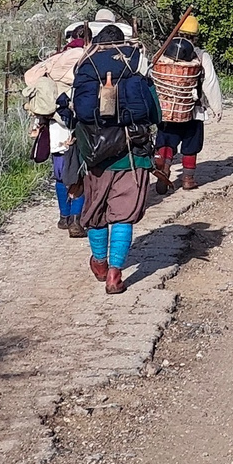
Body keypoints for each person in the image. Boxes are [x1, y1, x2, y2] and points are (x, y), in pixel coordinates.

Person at [61, 16, 159, 294]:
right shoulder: (136, 65)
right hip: (133, 152)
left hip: (94, 154)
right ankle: (115, 274)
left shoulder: (85, 67)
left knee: (96, 212)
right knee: (124, 215)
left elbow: (76, 113)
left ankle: (100, 263)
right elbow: (154, 112)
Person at [22, 16, 94, 236]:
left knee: (61, 172)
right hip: (84, 122)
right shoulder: (91, 57)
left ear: (71, 38)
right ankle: (76, 218)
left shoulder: (55, 59)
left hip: (56, 121)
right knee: (82, 172)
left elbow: (30, 77)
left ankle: (64, 216)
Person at [149, 13, 224, 193]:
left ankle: (164, 168)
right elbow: (210, 82)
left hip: (166, 109)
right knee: (191, 141)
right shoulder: (200, 56)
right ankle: (188, 179)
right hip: (192, 108)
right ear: (195, 36)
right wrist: (217, 107)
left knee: (166, 139)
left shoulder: (162, 53)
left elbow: (151, 76)